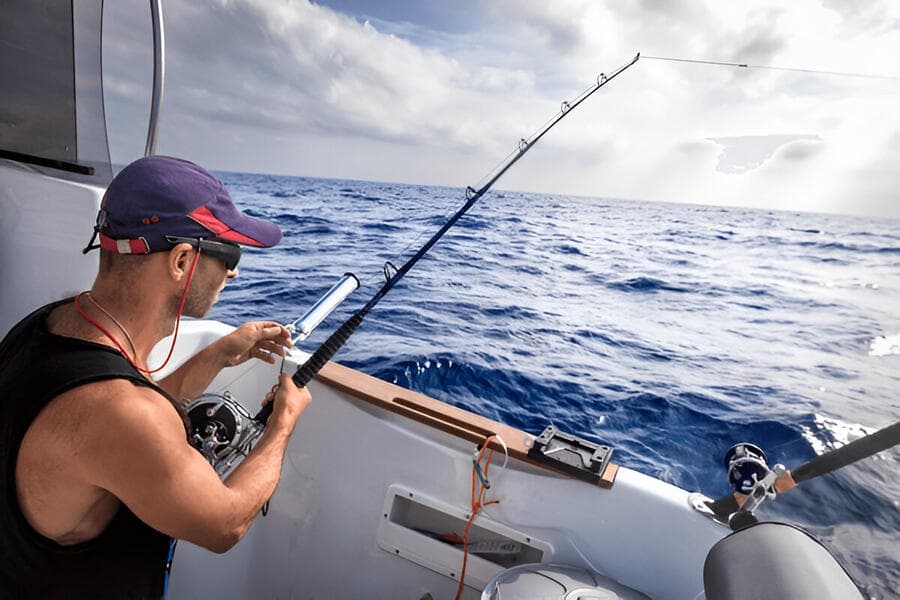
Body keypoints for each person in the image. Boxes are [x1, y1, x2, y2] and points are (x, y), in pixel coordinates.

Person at [0, 156, 311, 598]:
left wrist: (217, 355)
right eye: (228, 254)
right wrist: (282, 425)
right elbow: (225, 523)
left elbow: (111, 429)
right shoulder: (122, 413)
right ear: (182, 261)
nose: (234, 272)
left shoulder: (48, 324)